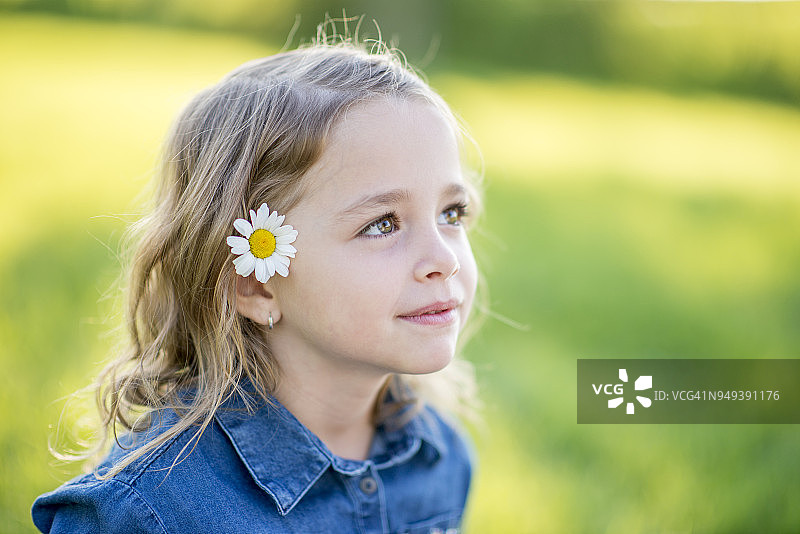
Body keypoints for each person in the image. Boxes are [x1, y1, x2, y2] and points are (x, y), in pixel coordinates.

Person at [32, 24, 482, 534]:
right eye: (382, 224)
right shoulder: (149, 513)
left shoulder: (439, 461)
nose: (443, 258)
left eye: (452, 212)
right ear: (255, 284)